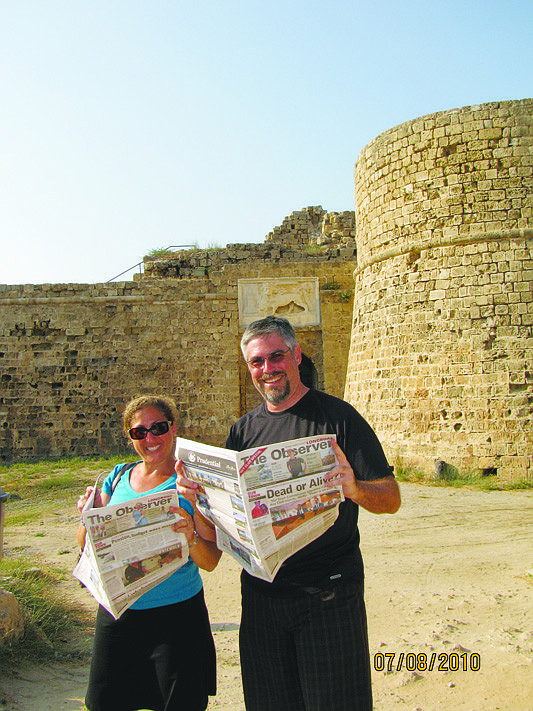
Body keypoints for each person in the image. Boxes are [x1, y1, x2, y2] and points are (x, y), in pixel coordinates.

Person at [176, 316, 401, 711]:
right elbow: (225, 525)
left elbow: (390, 496)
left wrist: (354, 488)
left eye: (276, 356)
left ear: (296, 355)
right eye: (257, 362)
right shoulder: (241, 433)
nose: (267, 369)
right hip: (262, 597)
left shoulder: (339, 418)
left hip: (328, 594)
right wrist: (199, 500)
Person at [76, 394, 221, 711]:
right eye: (139, 432)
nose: (150, 438)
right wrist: (89, 517)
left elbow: (210, 562)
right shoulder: (115, 478)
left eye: (158, 427)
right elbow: (85, 546)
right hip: (118, 615)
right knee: (106, 703)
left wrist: (191, 533)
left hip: (177, 618)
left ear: (173, 429)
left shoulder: (191, 483)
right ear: (130, 438)